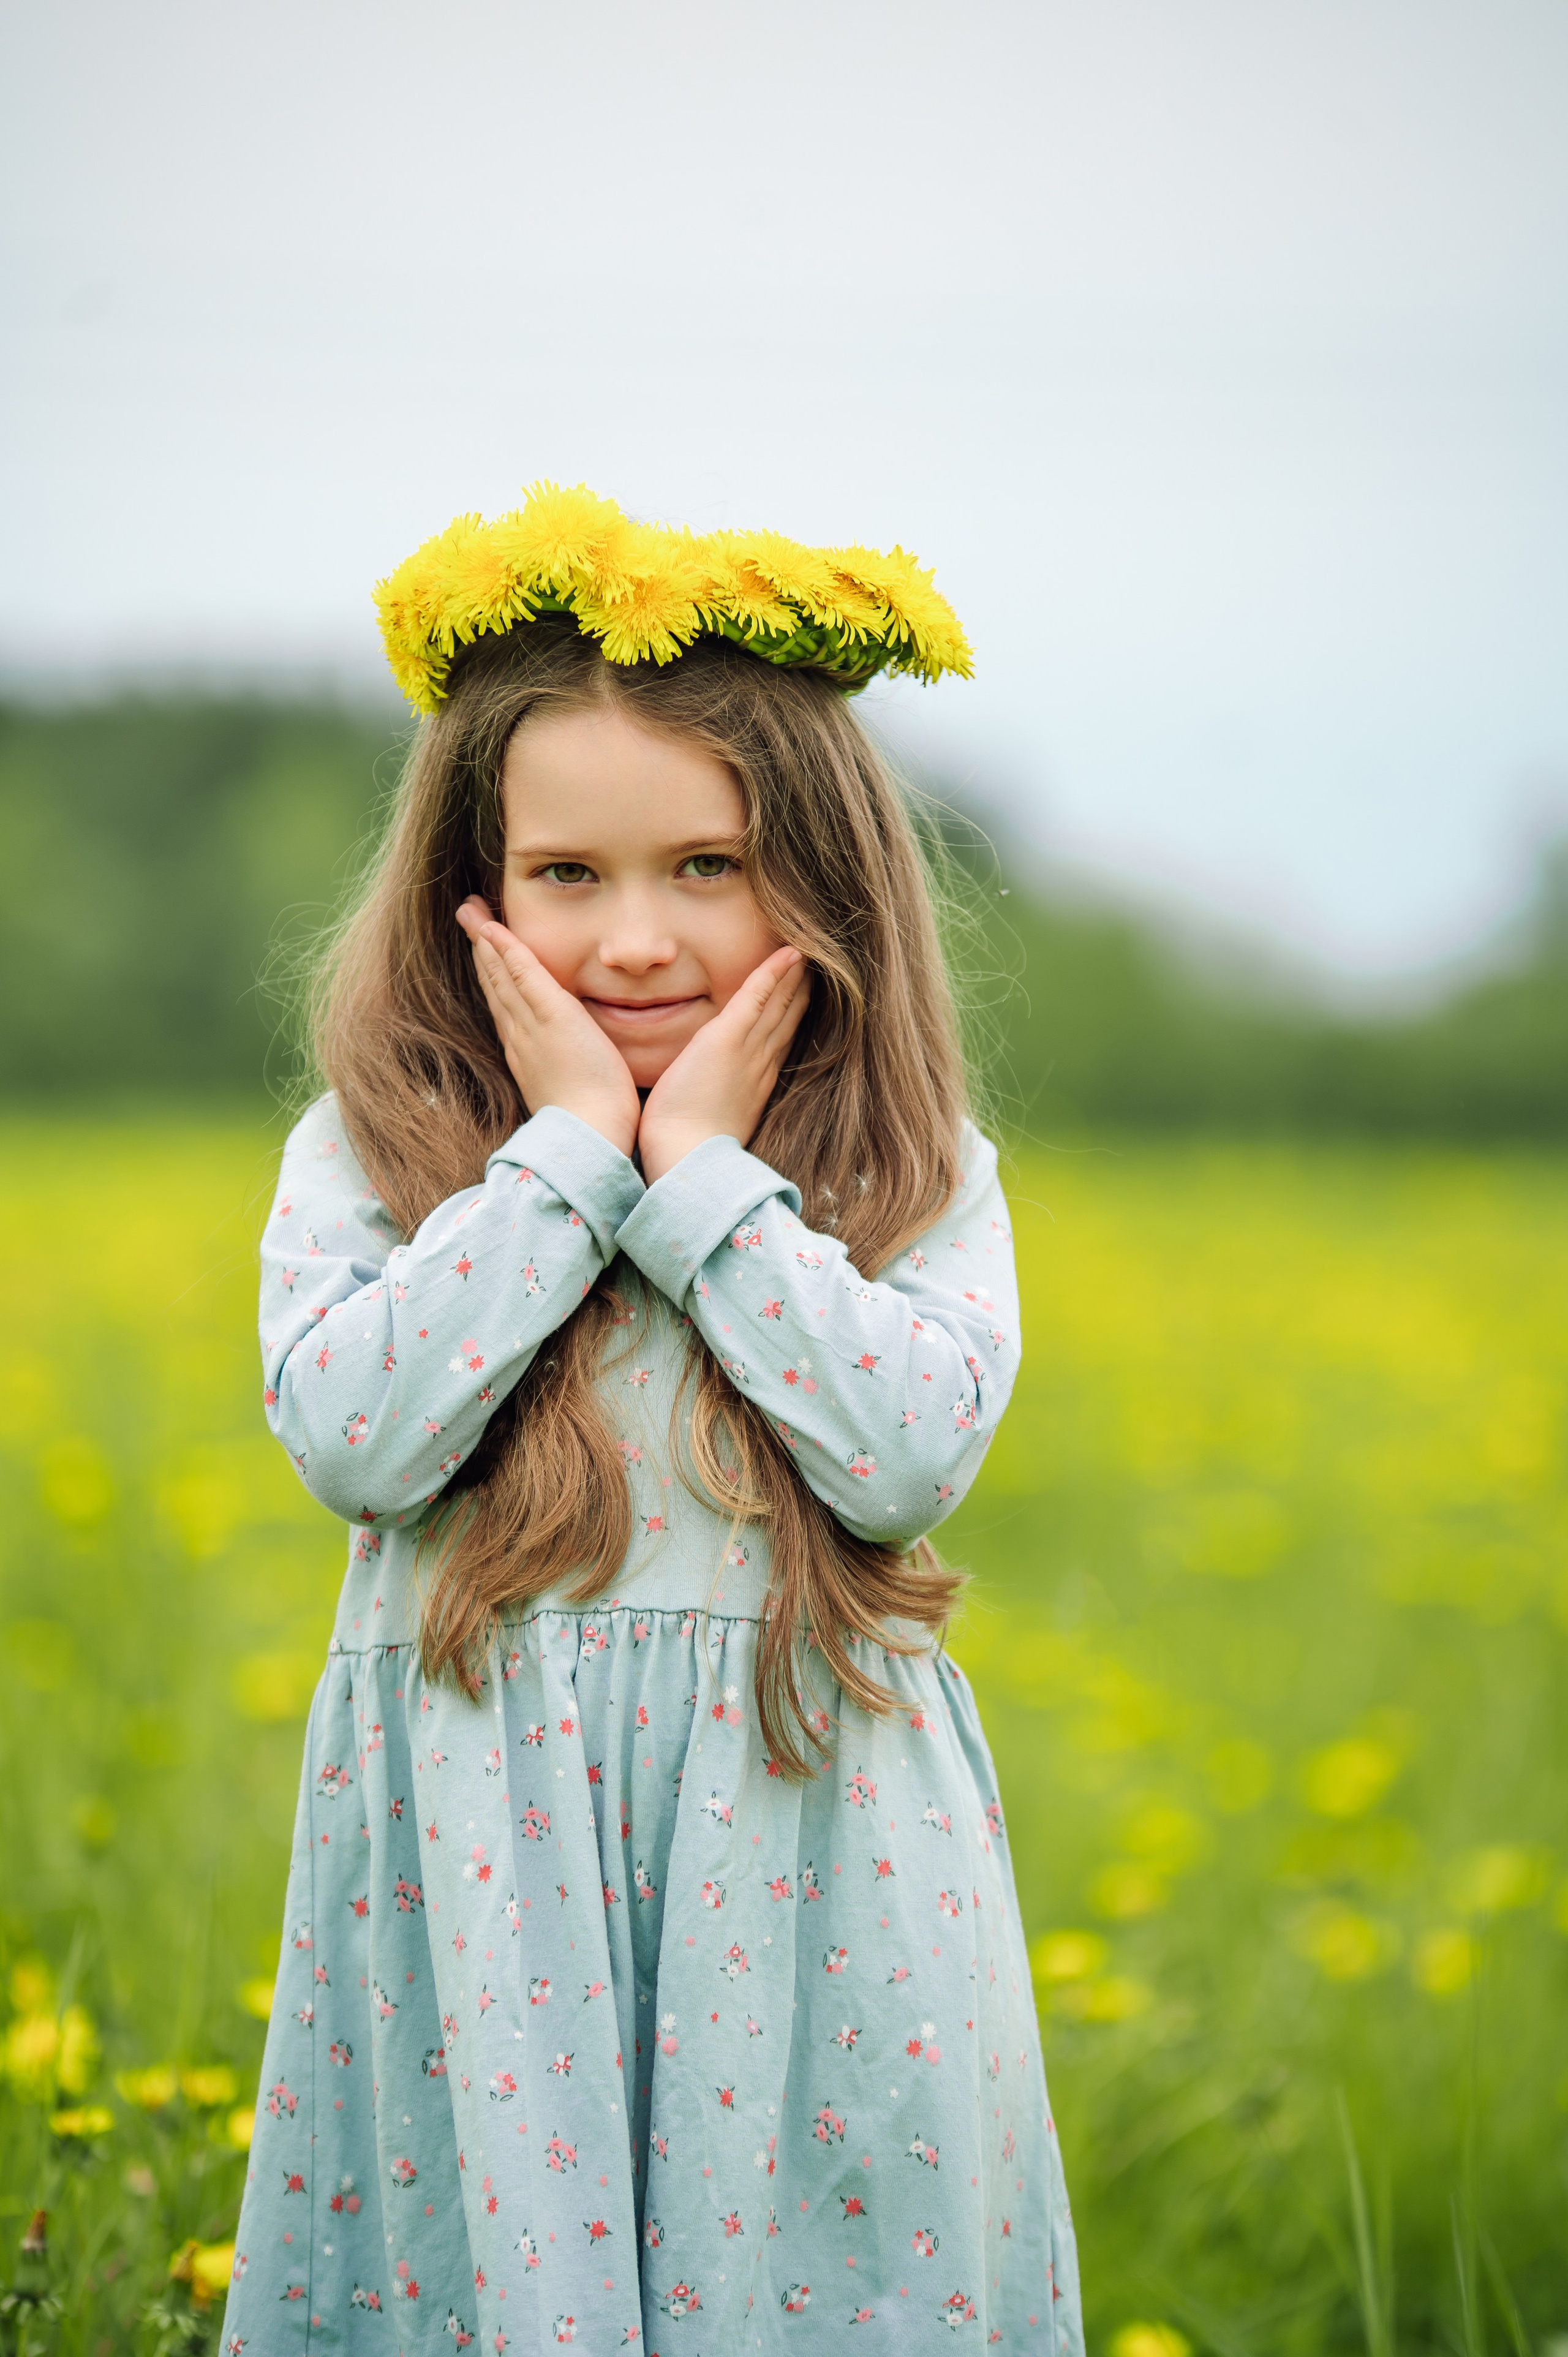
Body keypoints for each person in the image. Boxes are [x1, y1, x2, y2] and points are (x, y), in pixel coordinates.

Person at [223, 484, 1084, 2353]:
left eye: (709, 867)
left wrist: (696, 1178)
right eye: (569, 875)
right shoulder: (378, 1162)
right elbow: (357, 1435)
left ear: (826, 886)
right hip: (482, 1885)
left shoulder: (908, 1172)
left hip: (815, 1898)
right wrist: (556, 1168)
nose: (634, 940)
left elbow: (906, 1447)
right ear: (475, 889)